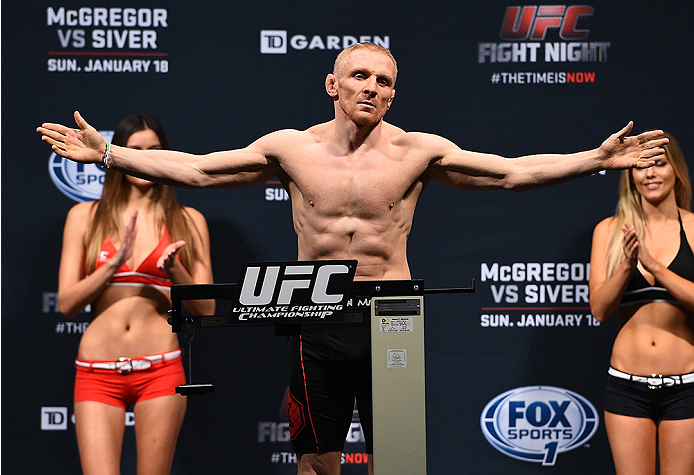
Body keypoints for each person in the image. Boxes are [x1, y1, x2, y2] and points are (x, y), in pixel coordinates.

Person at [38, 43, 668, 475]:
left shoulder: (417, 151)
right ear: (332, 85)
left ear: (395, 93)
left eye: (385, 81)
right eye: (361, 77)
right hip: (315, 307)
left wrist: (593, 159)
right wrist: (110, 156)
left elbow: (508, 174)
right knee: (316, 455)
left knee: (396, 454)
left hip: (392, 309)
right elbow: (198, 171)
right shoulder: (291, 148)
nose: (373, 88)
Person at [55, 113, 215, 475]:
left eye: (153, 150)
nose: (143, 158)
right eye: (134, 150)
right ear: (117, 154)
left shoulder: (189, 220)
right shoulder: (84, 216)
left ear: (165, 155)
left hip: (160, 369)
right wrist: (111, 267)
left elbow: (205, 309)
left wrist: (174, 270)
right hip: (96, 371)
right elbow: (66, 304)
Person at [589, 132, 694, 475]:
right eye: (640, 166)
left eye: (659, 164)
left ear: (676, 170)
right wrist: (627, 265)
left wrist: (655, 267)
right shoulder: (610, 230)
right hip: (626, 387)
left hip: (686, 388)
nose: (650, 174)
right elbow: (600, 310)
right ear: (629, 174)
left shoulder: (693, 228)